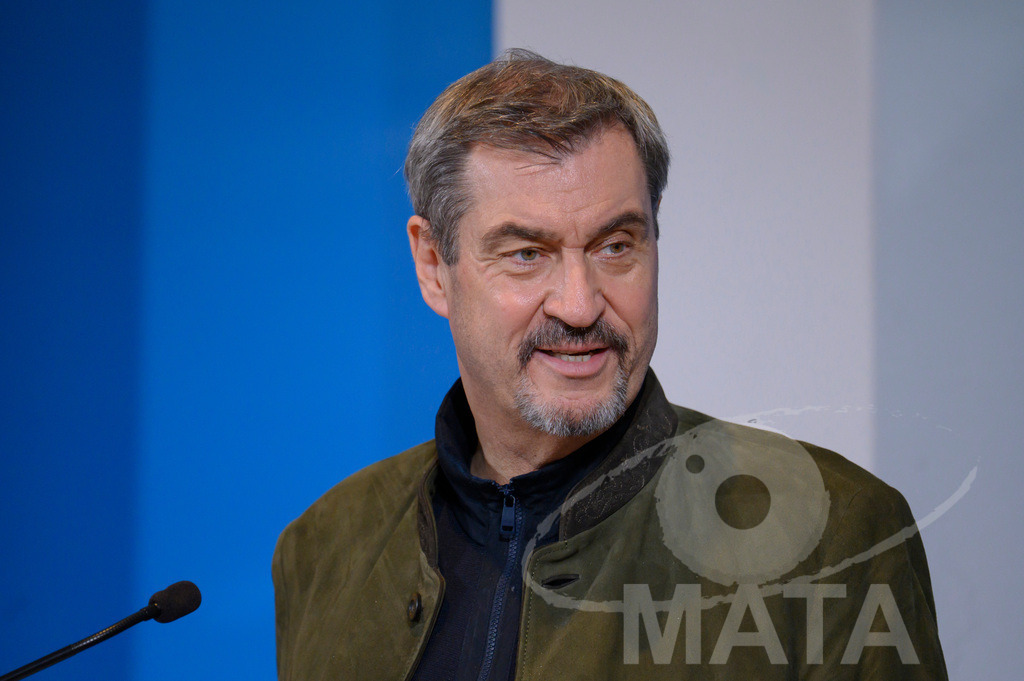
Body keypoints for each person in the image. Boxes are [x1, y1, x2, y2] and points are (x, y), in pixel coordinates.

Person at [272, 50, 948, 680]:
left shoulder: (838, 538)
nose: (579, 303)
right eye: (526, 254)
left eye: (615, 245)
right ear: (432, 266)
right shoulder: (325, 550)